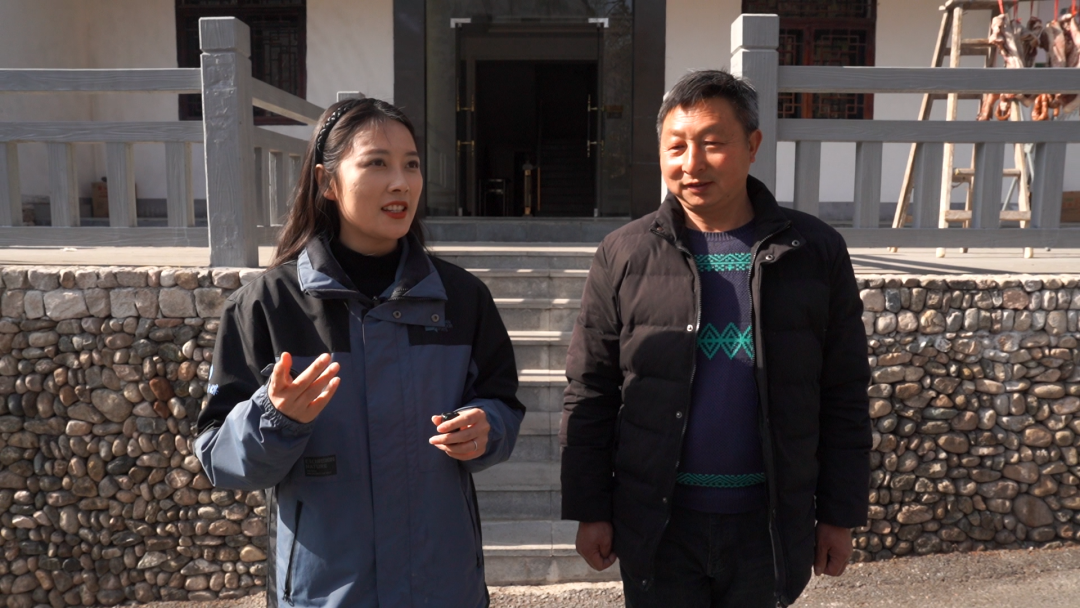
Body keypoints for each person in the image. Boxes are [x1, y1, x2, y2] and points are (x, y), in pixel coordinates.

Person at [194, 98, 524, 608]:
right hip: (325, 595)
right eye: (377, 163)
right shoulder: (268, 305)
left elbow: (502, 405)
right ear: (327, 181)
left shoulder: (461, 299)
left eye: (411, 164)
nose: (401, 183)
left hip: (443, 588)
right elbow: (219, 457)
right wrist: (274, 418)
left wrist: (488, 427)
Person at [560, 70, 871, 607]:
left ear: (753, 145)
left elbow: (843, 392)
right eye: (676, 146)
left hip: (767, 525)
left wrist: (838, 515)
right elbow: (590, 389)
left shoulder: (813, 252)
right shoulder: (623, 253)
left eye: (711, 143)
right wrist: (590, 508)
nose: (692, 163)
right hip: (660, 525)